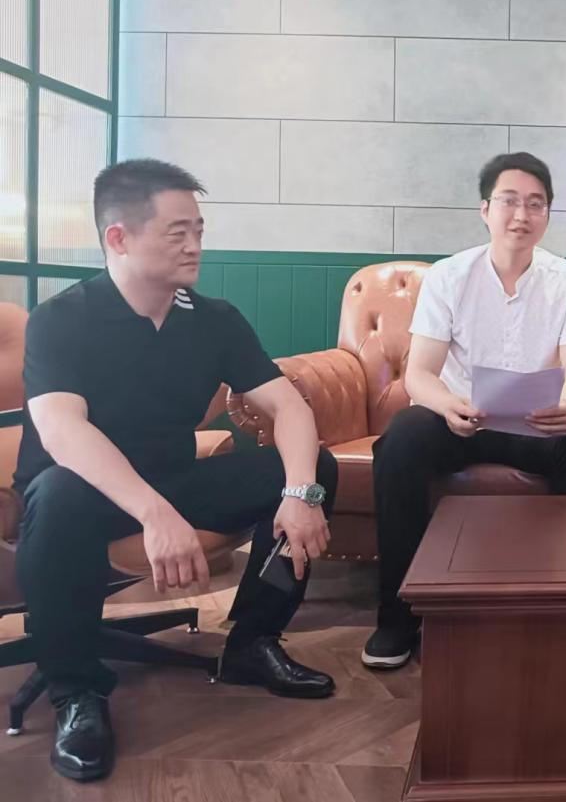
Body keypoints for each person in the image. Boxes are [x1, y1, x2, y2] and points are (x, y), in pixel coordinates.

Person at [15, 159, 340, 783]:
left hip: (171, 481)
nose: (195, 245)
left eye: (199, 229)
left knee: (313, 465)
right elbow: (63, 432)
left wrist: (302, 491)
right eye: (177, 232)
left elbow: (290, 407)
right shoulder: (63, 319)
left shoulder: (212, 318)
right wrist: (154, 512)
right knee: (57, 493)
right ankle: (75, 690)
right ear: (118, 237)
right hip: (83, 493)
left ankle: (252, 642)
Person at [363, 152, 566, 669]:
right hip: (461, 421)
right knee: (402, 438)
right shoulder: (449, 276)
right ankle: (397, 617)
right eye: (509, 201)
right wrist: (448, 406)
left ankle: (564, 605)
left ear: (547, 214)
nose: (521, 214)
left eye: (535, 204)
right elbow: (419, 374)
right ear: (485, 209)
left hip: (534, 424)